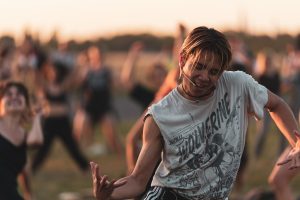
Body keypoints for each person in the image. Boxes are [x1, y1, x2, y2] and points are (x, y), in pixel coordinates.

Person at [90, 26, 300, 200]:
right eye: (198, 66)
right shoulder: (160, 115)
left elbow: (277, 105)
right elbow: (138, 180)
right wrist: (109, 194)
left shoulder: (238, 85)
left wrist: (297, 144)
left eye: (213, 71)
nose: (204, 76)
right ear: (182, 59)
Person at [0, 82, 33, 200]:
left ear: (26, 104)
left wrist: (29, 194)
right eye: (8, 94)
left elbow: (24, 169)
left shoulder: (24, 136)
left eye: (19, 94)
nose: (14, 97)